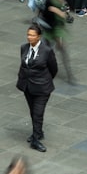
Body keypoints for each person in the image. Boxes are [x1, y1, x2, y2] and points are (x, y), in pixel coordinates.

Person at [17, 24, 57, 153]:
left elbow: (53, 68)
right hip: (27, 86)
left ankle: (35, 140)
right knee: (32, 111)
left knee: (38, 113)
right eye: (28, 35)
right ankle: (38, 132)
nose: (30, 37)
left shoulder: (46, 51)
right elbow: (23, 64)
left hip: (42, 88)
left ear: (39, 37)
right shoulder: (24, 48)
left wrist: (44, 79)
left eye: (33, 35)